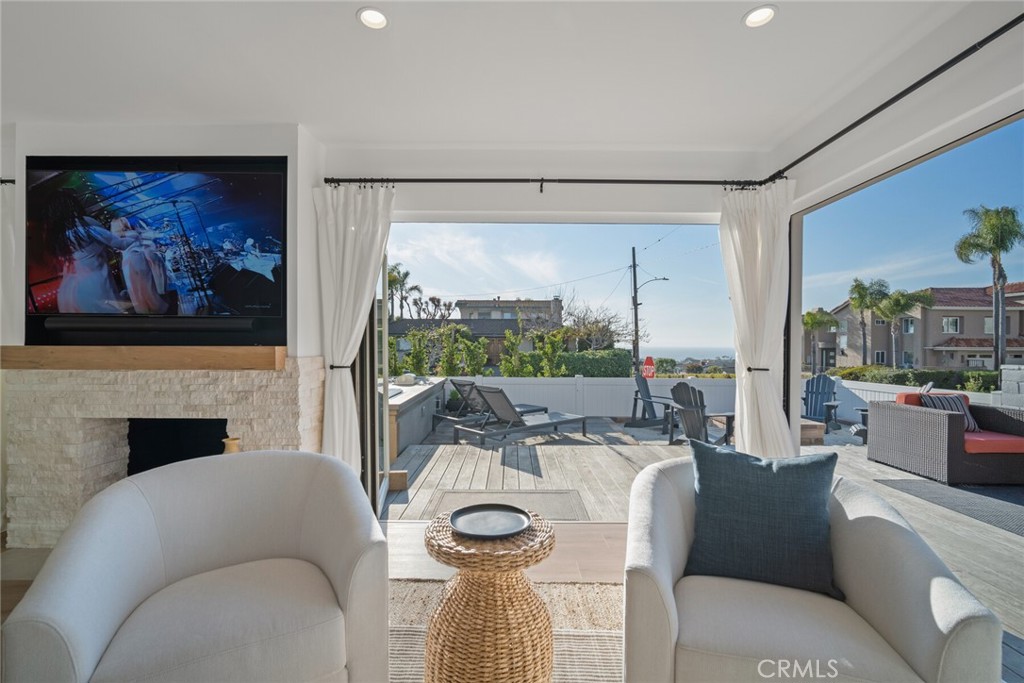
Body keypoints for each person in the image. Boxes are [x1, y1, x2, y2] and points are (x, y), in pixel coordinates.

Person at [43, 189, 134, 314]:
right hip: (96, 284)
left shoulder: (56, 237)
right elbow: (120, 244)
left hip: (69, 291)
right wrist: (138, 236)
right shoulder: (85, 223)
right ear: (72, 204)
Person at [110, 217, 170, 314]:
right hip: (137, 259)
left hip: (127, 262)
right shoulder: (131, 233)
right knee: (146, 285)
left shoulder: (116, 237)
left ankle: (144, 309)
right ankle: (155, 307)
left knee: (134, 288)